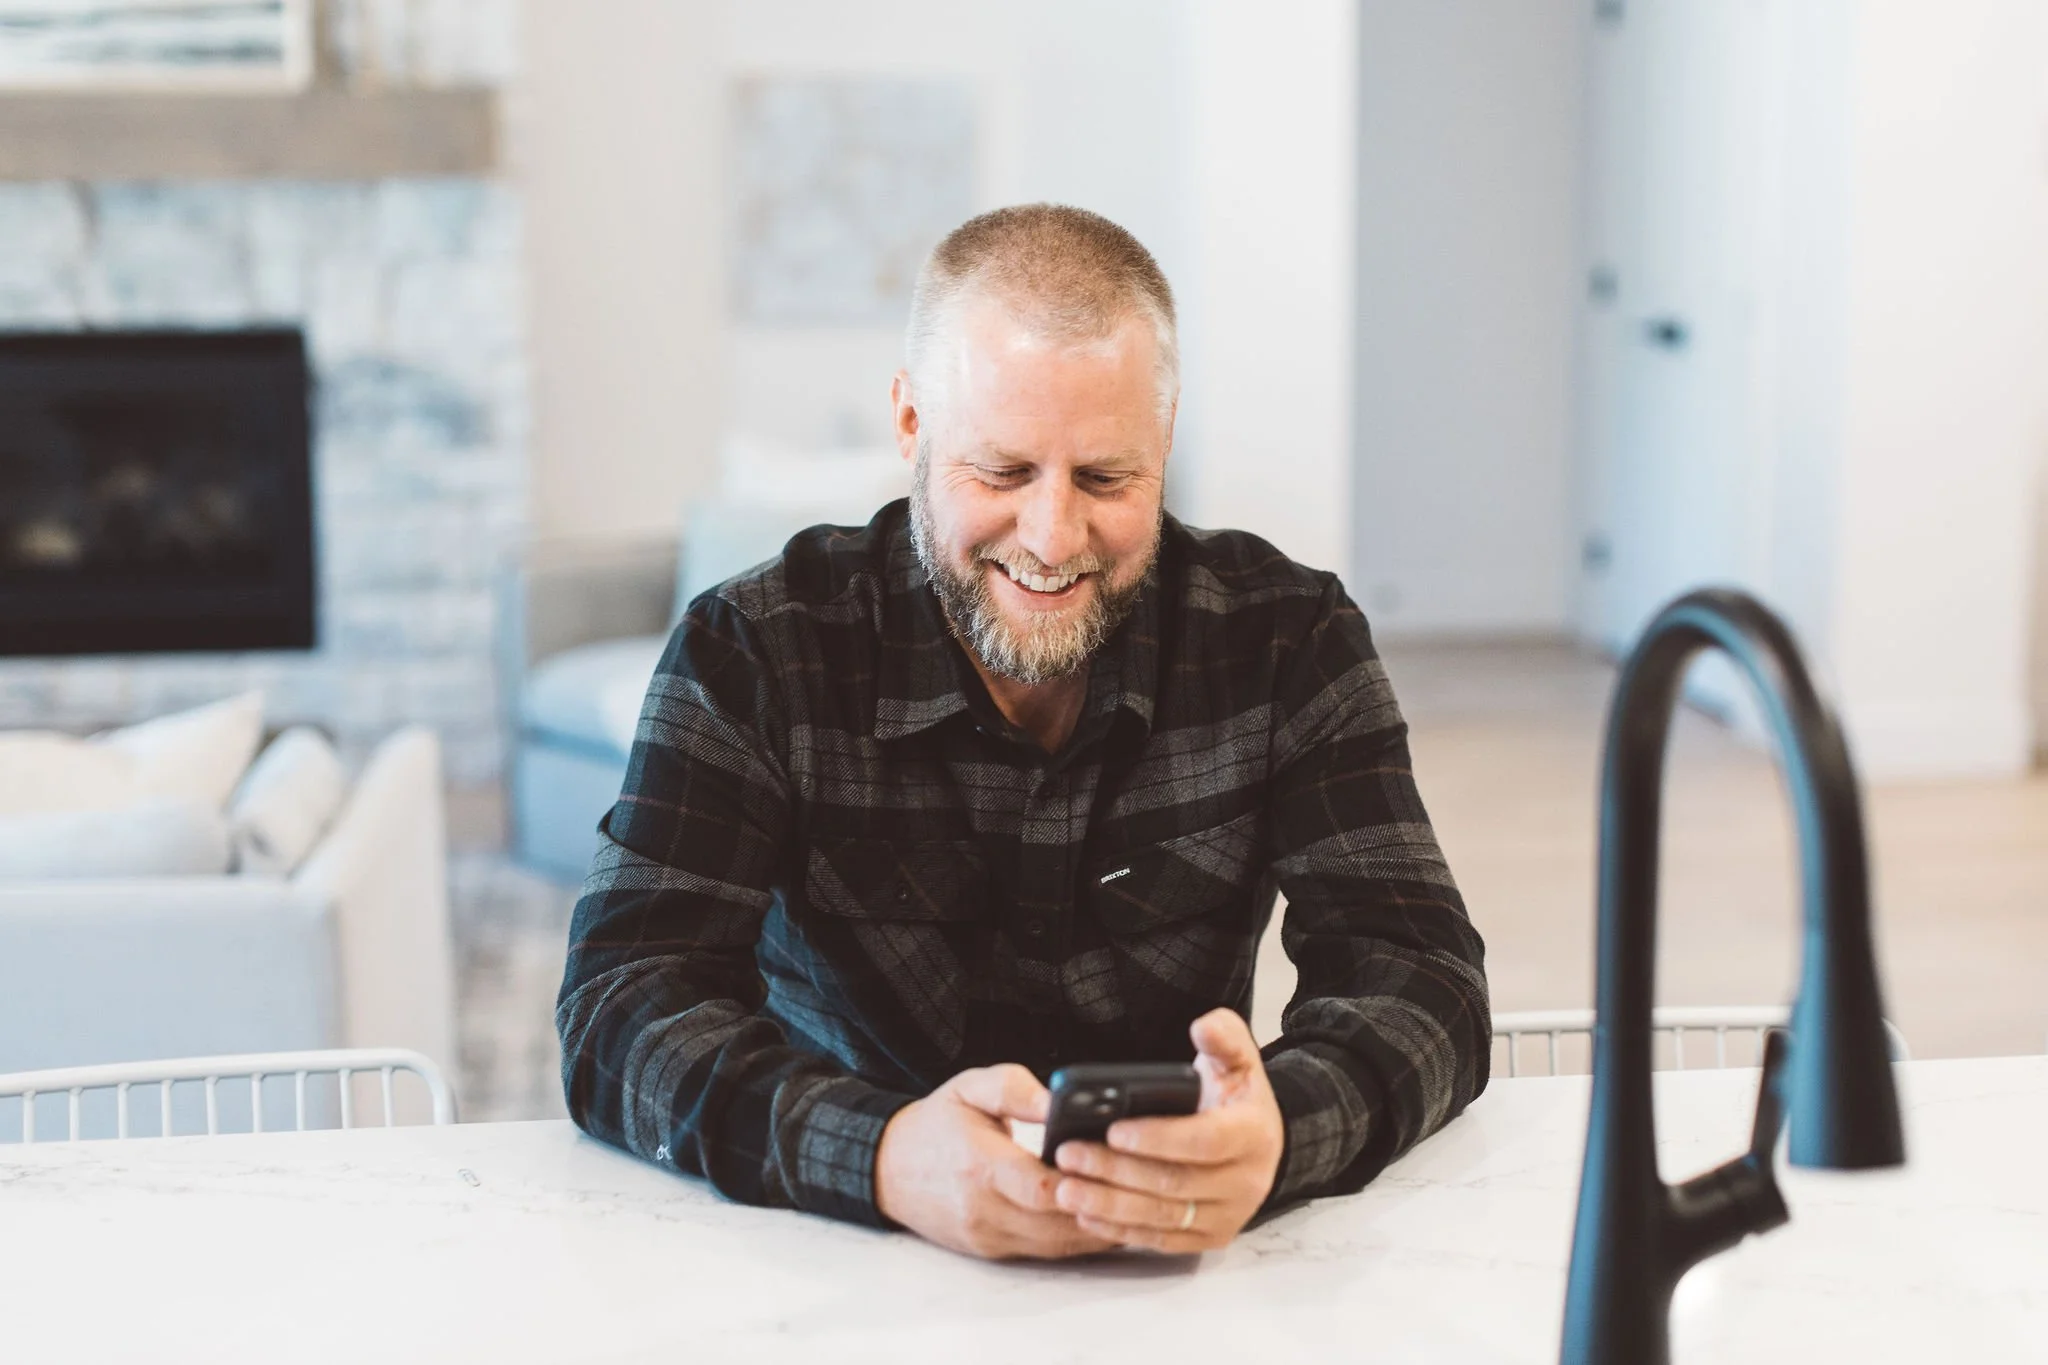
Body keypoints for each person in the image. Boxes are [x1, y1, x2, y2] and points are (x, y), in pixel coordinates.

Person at [557, 204, 1489, 1260]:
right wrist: (882, 1154)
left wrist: (1282, 1128)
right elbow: (619, 1002)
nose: (1051, 539)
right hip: (840, 1254)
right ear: (910, 426)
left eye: (1105, 478)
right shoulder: (753, 651)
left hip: (1175, 1274)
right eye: (1000, 473)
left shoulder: (1288, 638)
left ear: (1166, 435)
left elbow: (1423, 974)